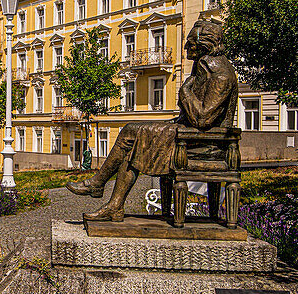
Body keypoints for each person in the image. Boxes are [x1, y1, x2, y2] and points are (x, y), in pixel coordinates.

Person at [66, 19, 238, 221]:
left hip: (204, 143)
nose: (185, 47)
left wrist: (184, 91)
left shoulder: (220, 74)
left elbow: (202, 119)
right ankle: (112, 203)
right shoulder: (205, 68)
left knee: (132, 132)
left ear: (204, 45)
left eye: (190, 42)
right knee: (132, 139)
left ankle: (100, 186)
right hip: (191, 136)